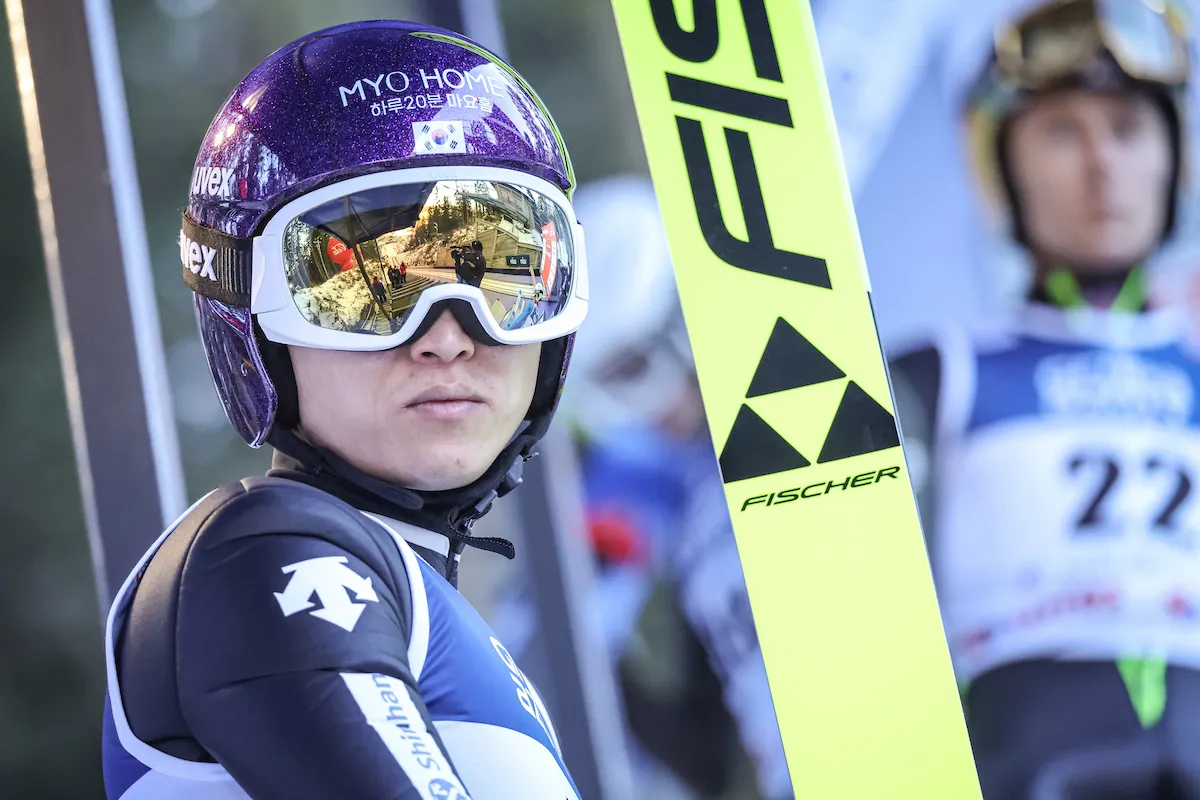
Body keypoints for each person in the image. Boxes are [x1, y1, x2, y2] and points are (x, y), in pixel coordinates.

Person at [101, 21, 589, 800]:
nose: (448, 340)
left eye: (503, 274)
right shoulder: (262, 549)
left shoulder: (425, 605)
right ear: (254, 315)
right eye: (373, 289)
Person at [889, 1, 1200, 797]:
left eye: (1128, 129)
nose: (1102, 165)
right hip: (1024, 758)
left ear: (1174, 158)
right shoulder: (936, 374)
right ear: (1003, 169)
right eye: (1062, 132)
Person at [493, 174, 794, 800]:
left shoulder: (811, 412)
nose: (643, 413)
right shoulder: (661, 483)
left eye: (634, 371)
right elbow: (542, 642)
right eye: (608, 389)